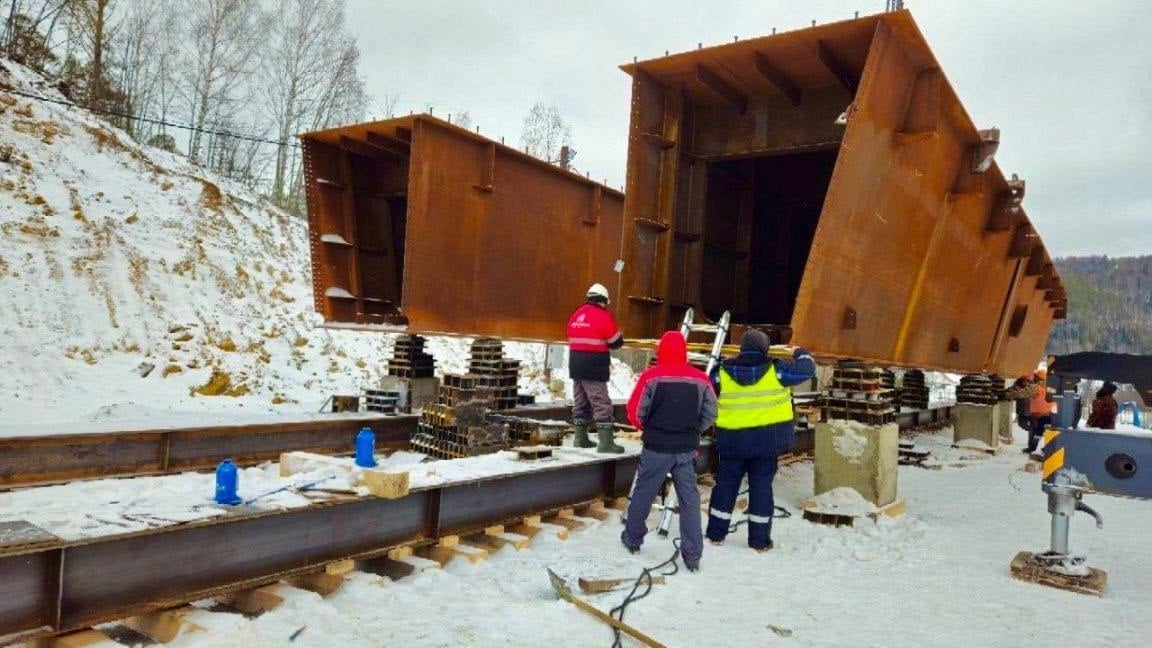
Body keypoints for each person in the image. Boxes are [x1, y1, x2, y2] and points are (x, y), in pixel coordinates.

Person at [705, 330, 816, 552]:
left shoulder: (723, 372)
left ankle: (716, 534)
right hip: (766, 443)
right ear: (765, 348)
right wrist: (800, 353)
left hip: (732, 442)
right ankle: (759, 541)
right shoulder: (777, 370)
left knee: (725, 486)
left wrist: (717, 362)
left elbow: (706, 390)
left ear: (741, 348)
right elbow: (807, 369)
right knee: (761, 488)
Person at [621, 331, 717, 571]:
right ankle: (693, 556)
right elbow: (711, 414)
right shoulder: (701, 379)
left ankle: (632, 539)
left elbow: (634, 412)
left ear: (661, 350)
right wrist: (694, 431)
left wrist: (649, 428)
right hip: (686, 450)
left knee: (644, 493)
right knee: (689, 500)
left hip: (656, 448)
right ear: (683, 351)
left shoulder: (651, 377)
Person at [567, 283, 625, 453]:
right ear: (603, 300)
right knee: (601, 402)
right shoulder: (603, 316)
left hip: (576, 365)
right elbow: (615, 341)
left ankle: (580, 438)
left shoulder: (576, 315)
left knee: (581, 401)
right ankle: (606, 443)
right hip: (593, 366)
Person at [1025, 370, 1055, 454]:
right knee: (1040, 432)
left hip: (1045, 414)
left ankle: (1036, 448)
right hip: (1043, 415)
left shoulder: (1042, 389)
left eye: (1035, 377)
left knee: (1042, 432)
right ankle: (1035, 448)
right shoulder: (1042, 389)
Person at [1005, 374, 1037, 450]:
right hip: (1022, 410)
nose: (1025, 382)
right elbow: (1011, 390)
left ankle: (1031, 446)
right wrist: (1007, 392)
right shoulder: (1017, 385)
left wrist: (1010, 394)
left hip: (1033, 411)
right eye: (1024, 380)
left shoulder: (1033, 386)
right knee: (1022, 425)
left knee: (1033, 428)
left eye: (1027, 380)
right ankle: (1033, 433)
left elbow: (1022, 394)